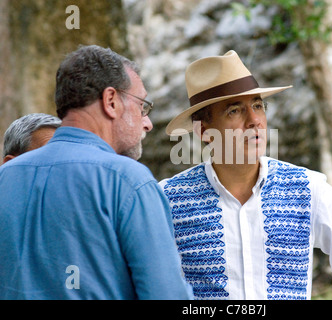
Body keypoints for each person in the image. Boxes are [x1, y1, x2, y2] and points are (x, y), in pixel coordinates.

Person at [159, 50, 332, 300]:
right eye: (234, 110)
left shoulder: (305, 188)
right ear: (204, 131)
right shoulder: (169, 199)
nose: (255, 120)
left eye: (258, 106)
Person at [0, 45, 193, 300]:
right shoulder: (130, 181)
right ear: (111, 101)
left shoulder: (6, 177)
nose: (147, 122)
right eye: (142, 106)